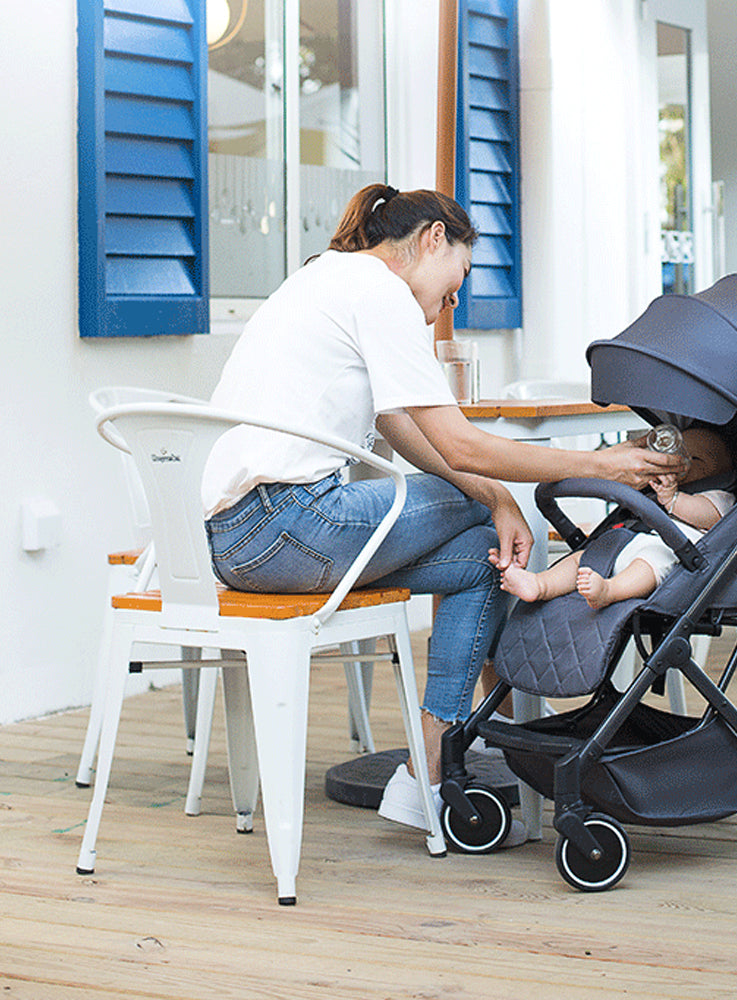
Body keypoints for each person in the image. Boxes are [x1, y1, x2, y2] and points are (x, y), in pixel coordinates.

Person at [200, 183, 684, 844]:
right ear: (433, 240)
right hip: (290, 524)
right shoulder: (379, 291)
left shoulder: (326, 279)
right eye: (454, 283)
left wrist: (498, 502)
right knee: (481, 508)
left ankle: (426, 775)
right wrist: (602, 467)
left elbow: (401, 429)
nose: (446, 307)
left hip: (239, 538)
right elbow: (457, 444)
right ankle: (482, 745)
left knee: (484, 560)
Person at [491, 426, 734, 609]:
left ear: (720, 469)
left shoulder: (721, 495)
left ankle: (609, 591)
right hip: (626, 540)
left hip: (669, 551)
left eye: (695, 459)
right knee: (583, 558)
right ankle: (539, 584)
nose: (679, 461)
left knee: (649, 562)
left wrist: (672, 498)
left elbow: (707, 515)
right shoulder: (655, 487)